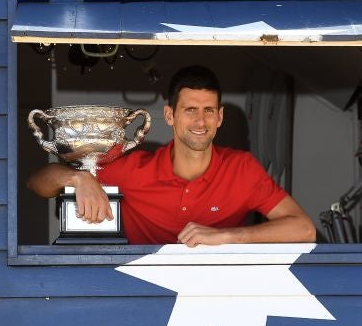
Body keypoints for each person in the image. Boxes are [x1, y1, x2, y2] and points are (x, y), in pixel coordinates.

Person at [27, 65, 316, 246]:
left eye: (209, 111)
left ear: (220, 117)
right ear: (170, 115)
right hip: (144, 304)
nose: (200, 122)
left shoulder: (241, 168)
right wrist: (79, 178)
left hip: (220, 300)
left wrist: (226, 236)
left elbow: (304, 230)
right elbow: (38, 182)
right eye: (190, 110)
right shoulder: (134, 169)